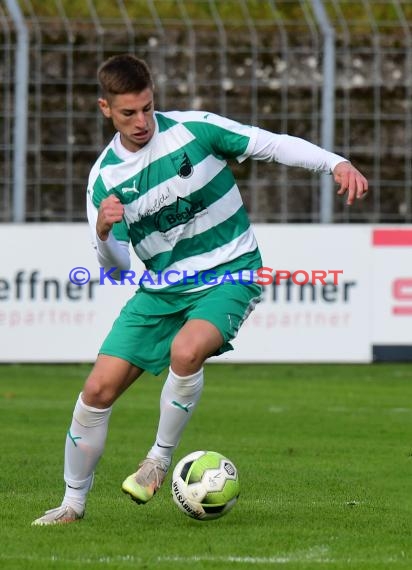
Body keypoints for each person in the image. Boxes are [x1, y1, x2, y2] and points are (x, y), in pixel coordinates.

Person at [32, 54, 368, 525]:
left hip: (231, 271)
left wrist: (335, 163)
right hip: (163, 288)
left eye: (147, 107)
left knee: (186, 351)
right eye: (129, 113)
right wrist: (106, 235)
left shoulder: (195, 130)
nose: (142, 121)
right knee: (97, 390)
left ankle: (158, 461)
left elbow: (268, 144)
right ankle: (71, 505)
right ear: (105, 108)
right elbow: (115, 270)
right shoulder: (105, 179)